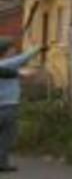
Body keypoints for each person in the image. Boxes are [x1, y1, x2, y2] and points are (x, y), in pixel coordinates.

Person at [0, 41, 43, 172]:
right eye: (12, 49)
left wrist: (25, 74)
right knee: (8, 137)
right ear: (5, 52)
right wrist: (37, 48)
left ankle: (3, 162)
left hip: (4, 106)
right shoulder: (6, 64)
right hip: (8, 107)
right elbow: (23, 59)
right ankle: (2, 163)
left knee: (5, 136)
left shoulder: (6, 68)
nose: (14, 51)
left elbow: (18, 72)